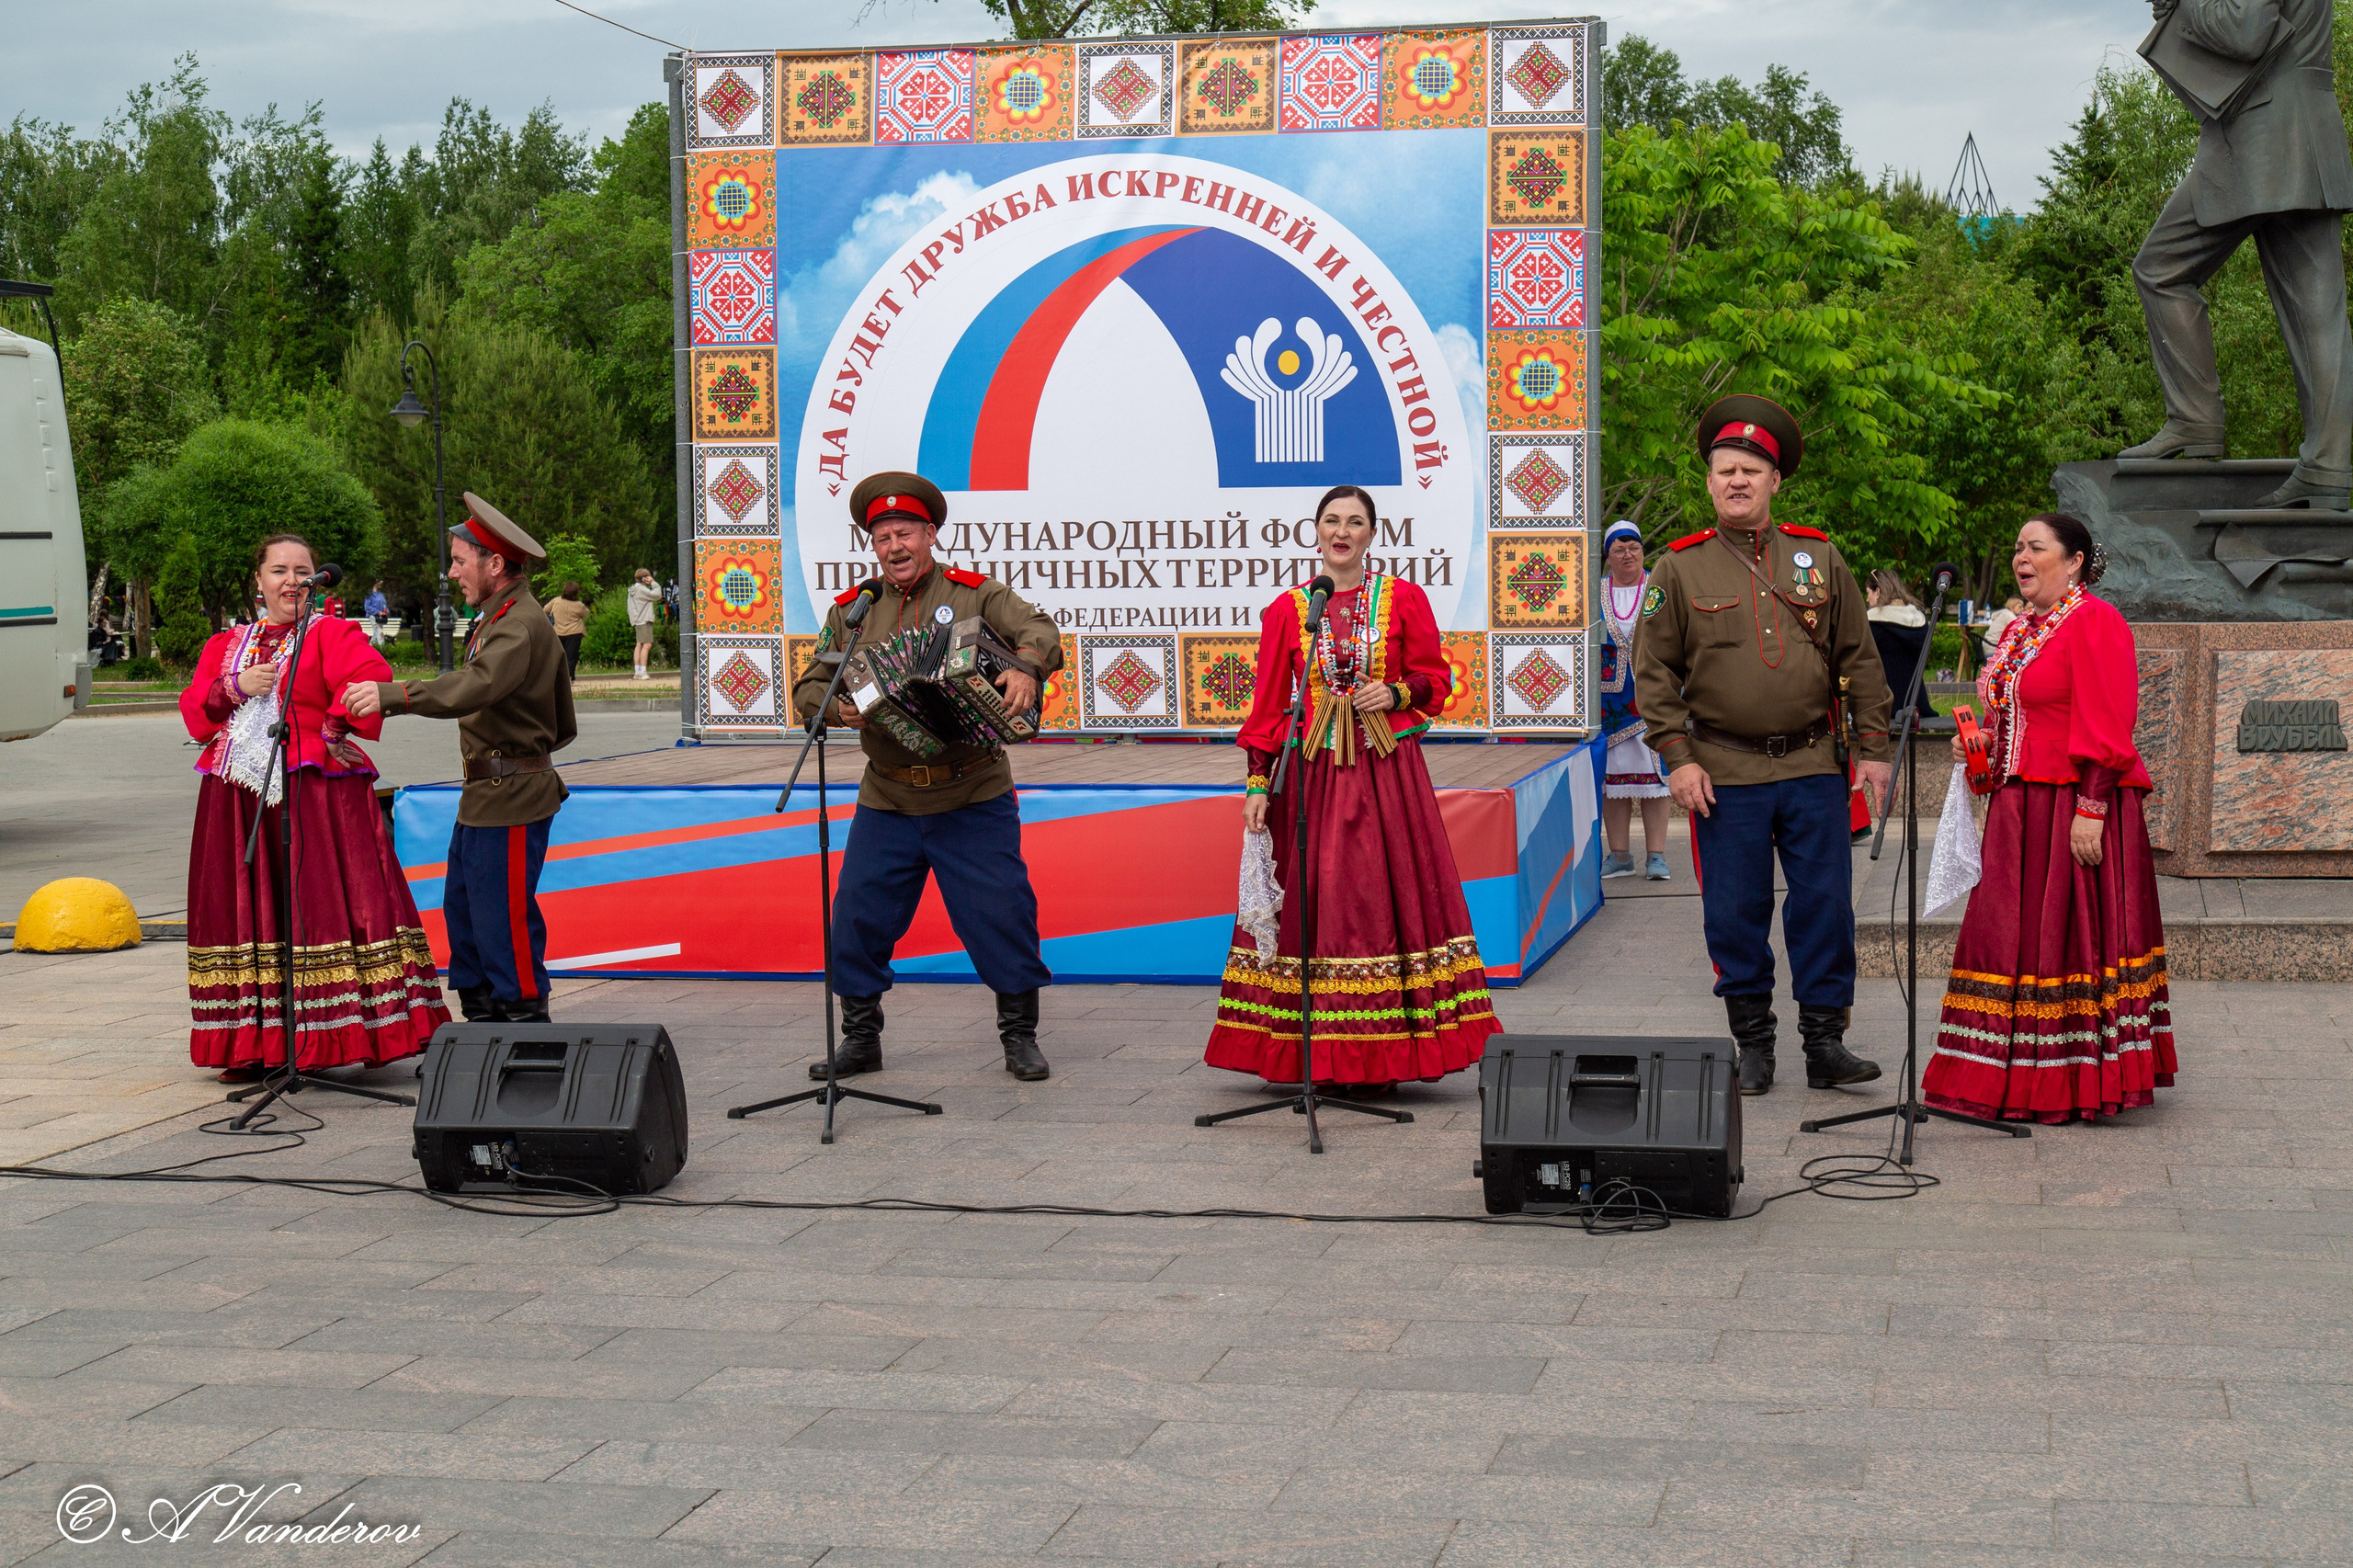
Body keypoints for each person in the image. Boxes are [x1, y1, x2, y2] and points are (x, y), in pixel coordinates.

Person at [1631, 395, 1896, 1097]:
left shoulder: (1818, 556)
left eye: (1751, 469)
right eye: (1726, 471)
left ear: (1775, 481)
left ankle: (1825, 1043)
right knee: (1735, 910)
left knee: (1825, 905)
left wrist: (1872, 747)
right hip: (1723, 772)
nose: (1738, 481)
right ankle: (1752, 1044)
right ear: (1710, 482)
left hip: (1814, 767)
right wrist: (1677, 758)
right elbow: (1653, 674)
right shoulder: (1679, 569)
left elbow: (1859, 658)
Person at [1205, 484, 1503, 1090]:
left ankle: (1383, 1052)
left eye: (1356, 522)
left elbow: (1434, 680)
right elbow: (1267, 710)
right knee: (1320, 901)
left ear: (1372, 534)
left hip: (1385, 772)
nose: (1342, 532)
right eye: (1332, 521)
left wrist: (1394, 693)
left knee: (1378, 899)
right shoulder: (1291, 611)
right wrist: (1258, 783)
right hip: (1312, 778)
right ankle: (1313, 1051)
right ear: (1315, 531)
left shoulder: (1404, 599)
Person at [790, 472, 1063, 1082]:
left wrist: (1026, 667)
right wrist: (838, 707)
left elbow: (1040, 629)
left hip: (971, 790)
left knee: (1002, 915)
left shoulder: (975, 594)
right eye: (882, 535)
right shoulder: (852, 612)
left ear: (931, 534)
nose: (894, 545)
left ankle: (1019, 1036)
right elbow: (811, 685)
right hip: (886, 793)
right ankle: (861, 1039)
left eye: (905, 531)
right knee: (856, 918)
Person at [1923, 515, 2176, 1124]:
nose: (2021, 557)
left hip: (2071, 805)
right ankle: (1999, 1074)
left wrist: (2091, 810)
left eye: (2036, 547)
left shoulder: (2096, 621)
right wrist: (1979, 742)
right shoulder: (2021, 631)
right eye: (2017, 547)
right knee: (2007, 935)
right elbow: (2019, 714)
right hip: (2017, 808)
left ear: (2075, 561)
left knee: (2062, 941)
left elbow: (2110, 720)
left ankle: (2065, 1081)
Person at [180, 535, 448, 1083]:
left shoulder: (330, 633)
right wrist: (236, 686)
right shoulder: (228, 644)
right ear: (258, 580)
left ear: (315, 579)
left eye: (302, 570)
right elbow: (196, 704)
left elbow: (371, 679)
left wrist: (333, 722)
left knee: (318, 903)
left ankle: (337, 1033)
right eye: (278, 570)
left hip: (313, 793)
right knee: (250, 906)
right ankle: (257, 1041)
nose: (291, 581)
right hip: (238, 802)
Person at [343, 494, 576, 1024]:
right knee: (467, 912)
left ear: (495, 564)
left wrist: (396, 694)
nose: (451, 573)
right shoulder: (499, 617)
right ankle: (482, 1020)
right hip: (488, 794)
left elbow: (476, 685)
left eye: (459, 561)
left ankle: (520, 1023)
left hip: (512, 794)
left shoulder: (516, 624)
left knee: (503, 918)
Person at [2123, 0, 2353, 509]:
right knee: (2321, 318)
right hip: (2308, 130)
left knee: (2161, 268)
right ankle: (2327, 469)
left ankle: (2195, 419)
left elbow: (2247, 27)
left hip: (2261, 133)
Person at [1596, 519, 1671, 880]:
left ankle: (1656, 855)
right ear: (1608, 556)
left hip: (1652, 695)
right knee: (1615, 779)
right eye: (1619, 549)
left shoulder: (1658, 589)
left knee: (1656, 778)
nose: (1628, 555)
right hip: (1608, 703)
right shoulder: (1593, 593)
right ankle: (1620, 854)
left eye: (1634, 548)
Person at [1865, 569, 1937, 721]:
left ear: (1877, 592)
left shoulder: (1873, 623)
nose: (1867, 600)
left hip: (1883, 705)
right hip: (1917, 703)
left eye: (1868, 593)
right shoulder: (1919, 619)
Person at [548, 582, 589, 676]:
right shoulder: (579, 605)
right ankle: (570, 676)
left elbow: (545, 610)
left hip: (558, 631)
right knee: (571, 657)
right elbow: (586, 613)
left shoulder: (556, 601)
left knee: (558, 657)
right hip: (575, 632)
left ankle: (558, 677)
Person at [627, 568, 661, 680]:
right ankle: (643, 672)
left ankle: (637, 671)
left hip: (637, 620)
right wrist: (653, 583)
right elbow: (657, 595)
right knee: (647, 645)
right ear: (644, 579)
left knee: (639, 644)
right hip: (644, 620)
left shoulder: (633, 589)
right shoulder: (642, 589)